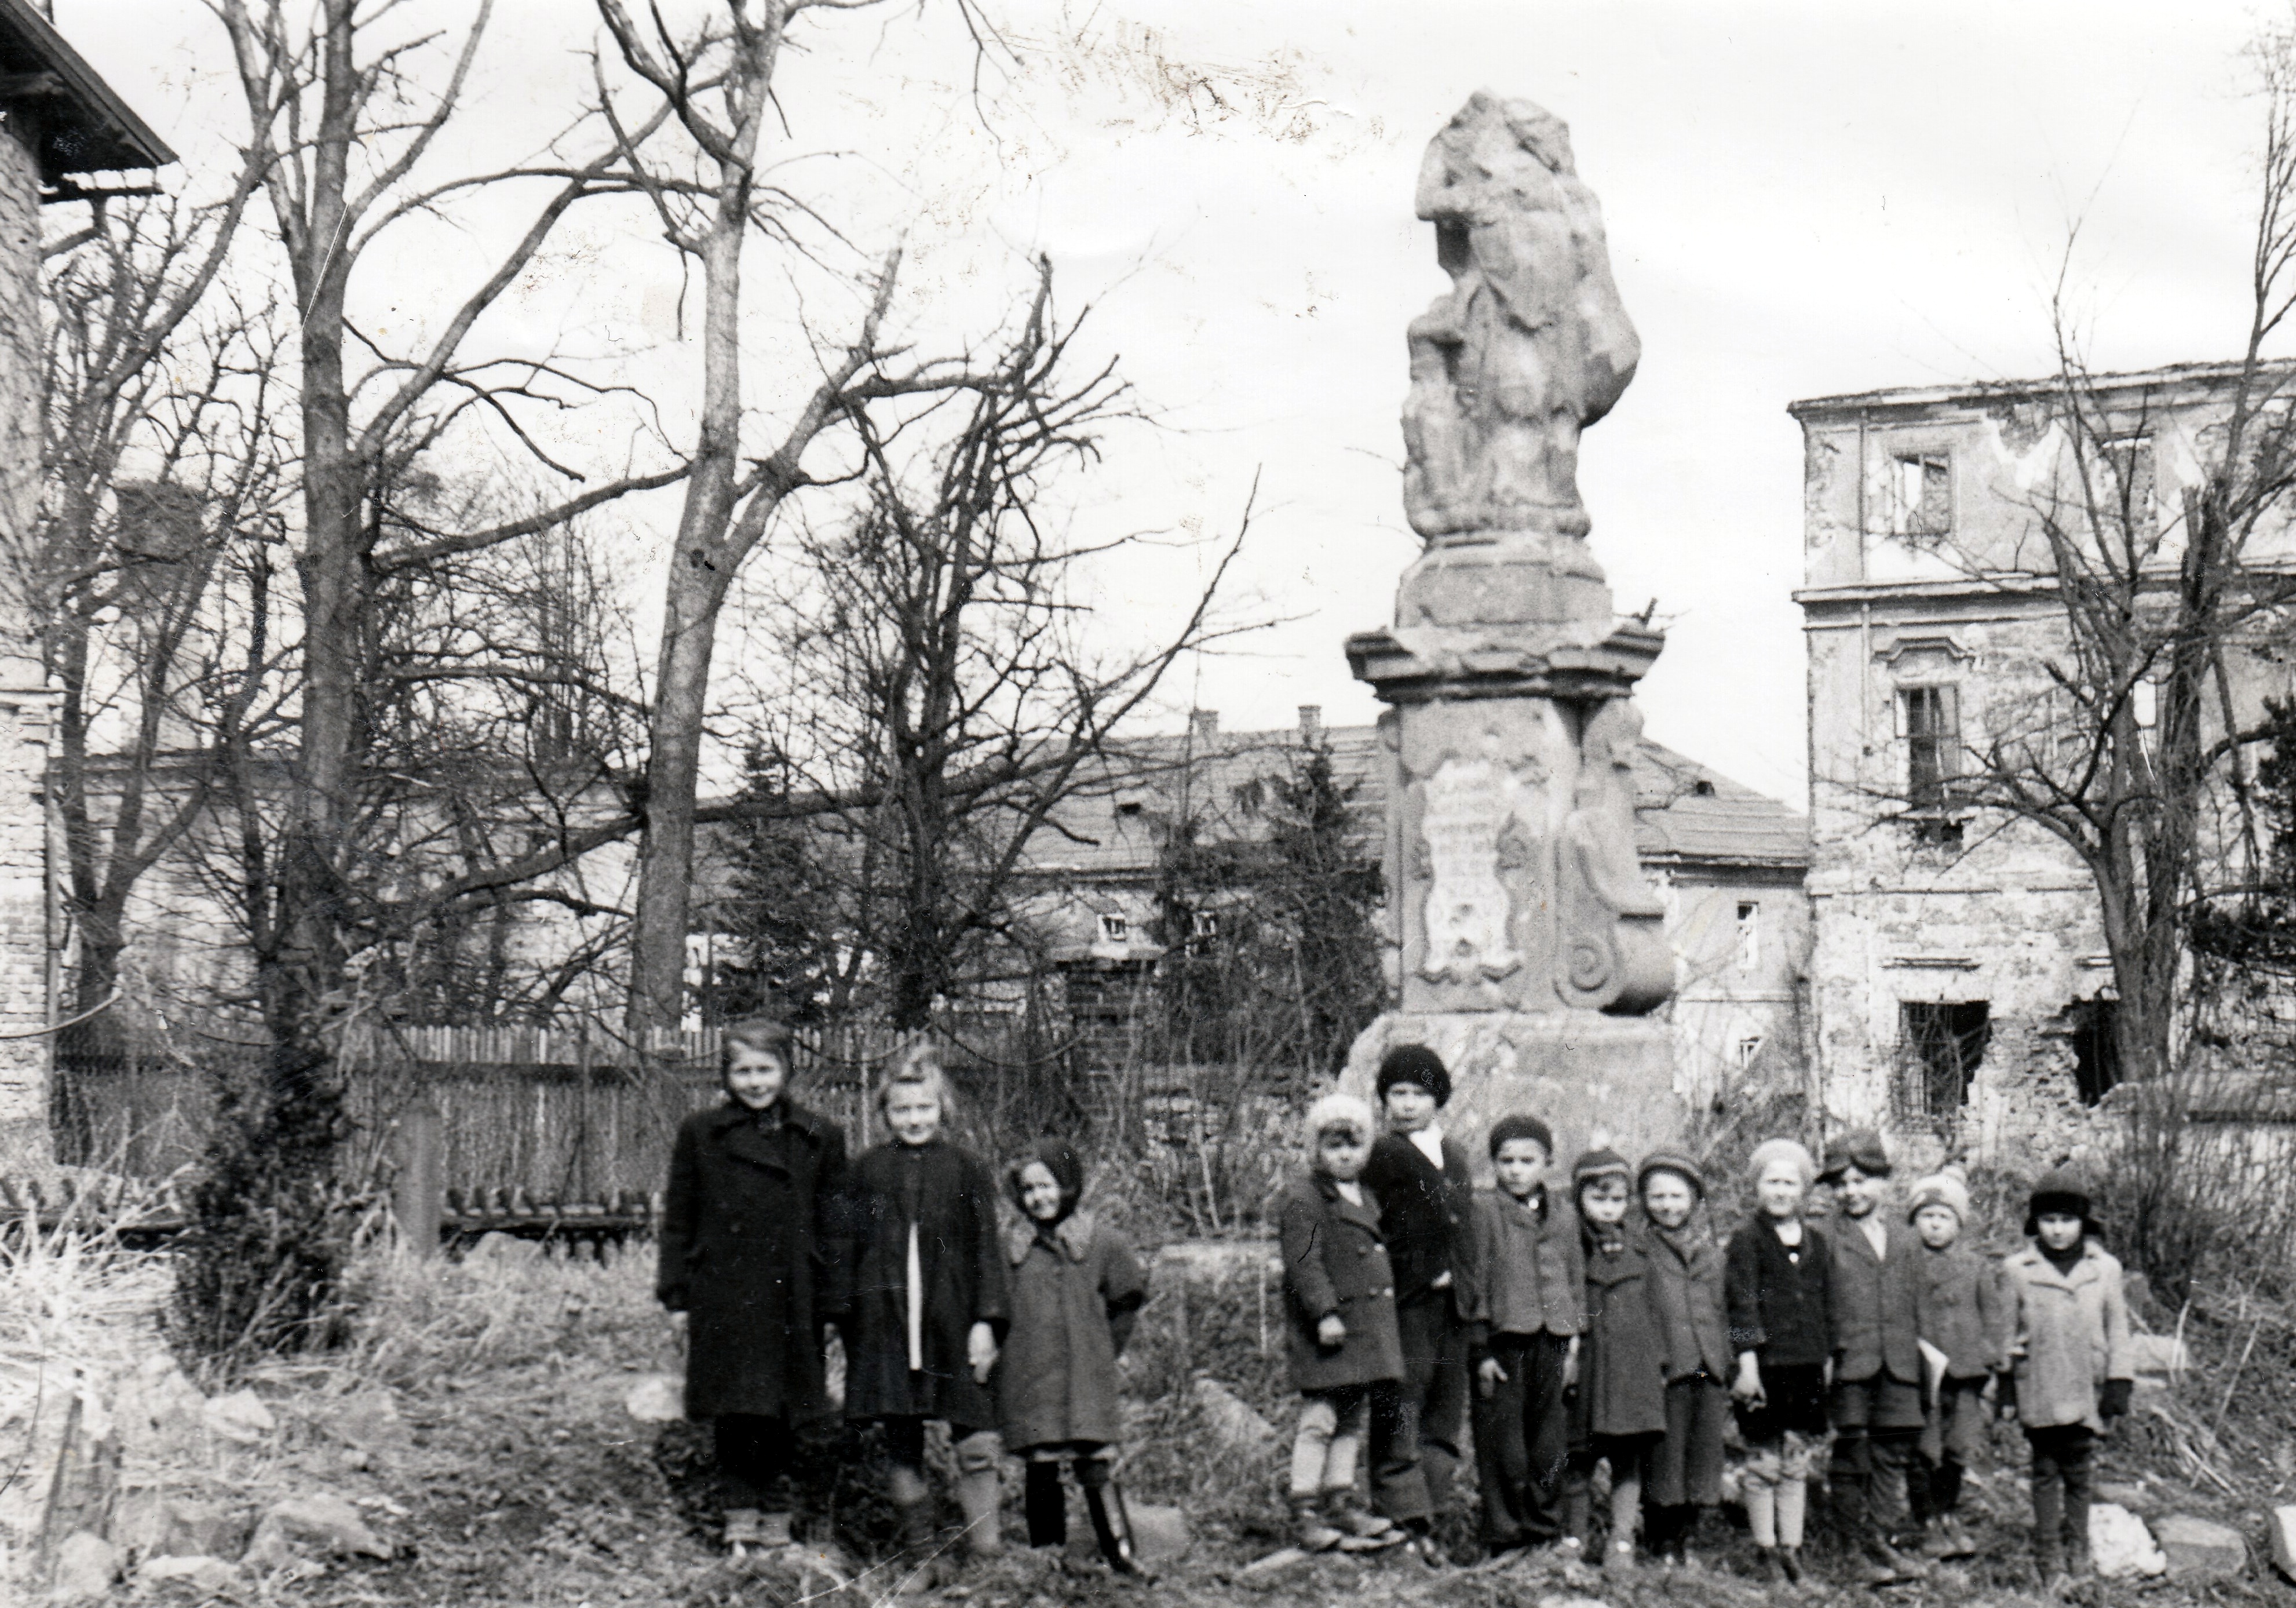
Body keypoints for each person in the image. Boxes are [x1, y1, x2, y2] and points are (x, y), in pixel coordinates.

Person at [656, 1018, 851, 1557]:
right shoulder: (701, 1133)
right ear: (726, 1075)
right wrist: (676, 1297)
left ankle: (778, 1519)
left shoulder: (820, 1136)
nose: (755, 1082)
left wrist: (834, 1303)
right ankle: (739, 1518)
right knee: (737, 1408)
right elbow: (679, 1219)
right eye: (743, 1071)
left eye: (765, 1069)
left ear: (787, 1071)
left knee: (786, 1409)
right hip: (725, 1291)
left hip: (795, 1292)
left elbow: (837, 1227)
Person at [842, 1043, 1010, 1589]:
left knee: (975, 1434)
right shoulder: (866, 1170)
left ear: (943, 1108)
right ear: (884, 1113)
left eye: (924, 1108)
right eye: (902, 1110)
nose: (914, 1119)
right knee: (901, 1439)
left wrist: (986, 1320)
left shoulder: (966, 1168)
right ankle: (921, 1556)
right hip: (888, 1326)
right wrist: (850, 1324)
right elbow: (847, 1250)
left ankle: (986, 1553)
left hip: (951, 1322)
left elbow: (986, 1249)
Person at [1276, 1093, 1423, 1557]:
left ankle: (1339, 1502)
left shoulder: (1366, 1196)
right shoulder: (1304, 1197)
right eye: (1333, 1145)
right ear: (1315, 1149)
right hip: (1331, 1329)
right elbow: (1304, 1262)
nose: (1344, 1155)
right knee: (1320, 1419)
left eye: (1353, 1145)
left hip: (1365, 1330)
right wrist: (1324, 1312)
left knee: (1350, 1419)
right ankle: (1304, 1510)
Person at [995, 1137, 1151, 1576]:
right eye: (1028, 1189)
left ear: (1068, 1185)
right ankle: (1047, 1557)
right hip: (1030, 1374)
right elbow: (993, 1306)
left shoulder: (1103, 1242)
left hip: (1086, 1373)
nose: (1038, 1197)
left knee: (1095, 1458)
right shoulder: (1009, 1248)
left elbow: (1126, 1300)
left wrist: (1103, 1350)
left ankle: (1120, 1553)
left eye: (1047, 1186)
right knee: (1041, 1462)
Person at [1361, 1045, 1475, 1556]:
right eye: (1397, 1093)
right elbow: (1371, 1230)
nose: (1407, 1104)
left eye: (1419, 1094)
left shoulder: (1454, 1153)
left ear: (1438, 1098)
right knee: (1401, 1408)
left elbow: (1466, 1228)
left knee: (1444, 1412)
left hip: (1454, 1307)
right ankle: (1401, 1519)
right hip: (1406, 1304)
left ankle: (1432, 1515)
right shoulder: (1382, 1154)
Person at [1457, 1114, 1585, 1560]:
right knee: (1503, 1445)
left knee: (1548, 1442)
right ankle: (1504, 1533)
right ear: (1493, 1163)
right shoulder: (1483, 1211)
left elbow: (1575, 1277)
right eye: (1505, 1160)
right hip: (1504, 1340)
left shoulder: (1564, 1213)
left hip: (1553, 1339)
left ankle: (1543, 1528)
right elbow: (1473, 1279)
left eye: (1526, 1161)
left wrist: (1574, 1338)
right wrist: (1480, 1347)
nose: (1515, 1170)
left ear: (1547, 1162)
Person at [2001, 1167, 2135, 1591]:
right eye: (2049, 1220)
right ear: (2035, 1223)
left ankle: (2078, 1547)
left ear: (2083, 1222)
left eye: (2067, 1220)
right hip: (2039, 1385)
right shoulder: (2017, 1269)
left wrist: (2119, 1380)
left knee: (2079, 1469)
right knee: (2044, 1469)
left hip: (2086, 1385)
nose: (2058, 1230)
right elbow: (2006, 1334)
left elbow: (2118, 1329)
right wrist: (2005, 1387)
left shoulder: (2105, 1269)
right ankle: (2048, 1552)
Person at [1822, 1128, 1932, 1586]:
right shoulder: (1823, 1236)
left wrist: (1925, 1360)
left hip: (1900, 1361)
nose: (1851, 1191)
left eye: (1860, 1180)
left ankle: (1880, 1538)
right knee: (1852, 1451)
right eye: (1841, 1184)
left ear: (1883, 1181)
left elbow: (1920, 1301)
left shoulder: (1906, 1238)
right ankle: (1849, 1548)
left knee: (1892, 1452)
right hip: (1851, 1360)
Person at [1725, 1137, 1831, 1585]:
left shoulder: (1816, 1242)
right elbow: (1740, 1305)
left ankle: (1792, 1547)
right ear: (1756, 1187)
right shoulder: (1746, 1239)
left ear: (1803, 1189)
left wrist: (1826, 1359)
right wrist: (1747, 1364)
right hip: (1765, 1367)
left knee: (1793, 1459)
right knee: (1763, 1460)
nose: (1781, 1191)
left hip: (1805, 1365)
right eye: (1772, 1181)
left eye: (1790, 1183)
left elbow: (1826, 1304)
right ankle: (1765, 1548)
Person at [1563, 1148, 1667, 1576]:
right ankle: (1573, 1539)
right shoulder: (1569, 1243)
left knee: (1627, 1459)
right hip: (1587, 1368)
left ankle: (1621, 1540)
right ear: (1579, 1198)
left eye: (1617, 1200)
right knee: (1578, 1457)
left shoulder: (1641, 1249)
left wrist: (1659, 1364)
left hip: (1630, 1371)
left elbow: (1657, 1310)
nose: (1608, 1209)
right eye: (1598, 1199)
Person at [1904, 1166, 2009, 1560]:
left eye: (1944, 1217)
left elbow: (1992, 1315)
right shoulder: (1904, 1264)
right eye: (1926, 1216)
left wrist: (1991, 1356)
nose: (1935, 1225)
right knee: (1923, 1446)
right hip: (1921, 1373)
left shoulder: (1975, 1266)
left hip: (1966, 1372)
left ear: (1959, 1223)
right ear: (1914, 1221)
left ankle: (1948, 1512)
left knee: (1957, 1446)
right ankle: (1926, 1520)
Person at [1637, 1148, 1730, 1571]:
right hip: (1667, 1365)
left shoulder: (1714, 1254)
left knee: (1703, 1451)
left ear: (1694, 1199)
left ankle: (1690, 1534)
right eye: (1657, 1196)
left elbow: (1729, 1311)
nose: (1668, 1205)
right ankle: (1663, 1538)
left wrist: (1730, 1356)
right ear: (1644, 1200)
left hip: (1709, 1364)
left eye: (1677, 1196)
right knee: (1666, 1453)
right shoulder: (1640, 1250)